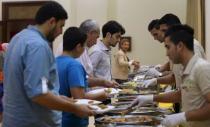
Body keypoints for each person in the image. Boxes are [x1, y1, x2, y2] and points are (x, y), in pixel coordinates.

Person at [3, 2, 94, 127]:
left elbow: (33, 87)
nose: (61, 32)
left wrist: (64, 99)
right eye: (61, 26)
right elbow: (39, 94)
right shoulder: (38, 46)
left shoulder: (18, 38)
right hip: (33, 122)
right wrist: (74, 108)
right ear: (52, 22)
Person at [131, 24, 210, 127]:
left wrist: (184, 116)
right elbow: (181, 94)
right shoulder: (187, 69)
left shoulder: (201, 68)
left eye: (168, 47)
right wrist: (150, 98)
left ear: (180, 46)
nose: (166, 53)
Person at [56, 27, 109, 127]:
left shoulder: (55, 61)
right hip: (73, 120)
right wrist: (103, 94)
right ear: (78, 46)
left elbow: (81, 81)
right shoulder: (74, 65)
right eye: (84, 46)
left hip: (59, 118)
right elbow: (79, 98)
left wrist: (103, 82)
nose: (84, 49)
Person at [77, 19, 118, 88]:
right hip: (92, 92)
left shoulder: (85, 49)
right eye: (96, 37)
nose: (96, 42)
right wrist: (103, 82)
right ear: (91, 33)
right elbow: (84, 78)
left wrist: (109, 81)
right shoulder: (94, 51)